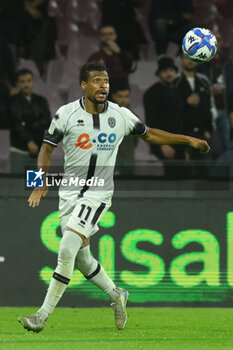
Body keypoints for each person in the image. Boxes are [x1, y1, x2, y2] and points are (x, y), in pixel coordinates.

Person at [18, 61, 209, 333]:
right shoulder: (66, 114)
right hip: (69, 193)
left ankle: (41, 316)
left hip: (97, 193)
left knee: (66, 249)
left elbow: (150, 134)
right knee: (82, 259)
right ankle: (117, 295)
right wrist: (38, 182)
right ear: (83, 85)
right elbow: (46, 149)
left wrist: (188, 140)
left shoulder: (121, 115)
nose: (103, 86)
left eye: (105, 81)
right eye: (96, 81)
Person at [174, 54, 216, 173]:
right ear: (181, 60)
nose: (189, 61)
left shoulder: (204, 81)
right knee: (184, 173)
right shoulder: (176, 81)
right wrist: (186, 102)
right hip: (183, 134)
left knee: (205, 172)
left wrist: (208, 129)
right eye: (186, 58)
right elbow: (172, 108)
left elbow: (209, 106)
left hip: (204, 134)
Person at [144, 57, 185, 177]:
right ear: (159, 73)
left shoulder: (178, 91)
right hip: (163, 144)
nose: (169, 73)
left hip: (180, 143)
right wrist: (162, 144)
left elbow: (182, 120)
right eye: (165, 71)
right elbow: (152, 121)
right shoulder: (152, 93)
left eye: (171, 70)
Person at [197, 30, 233, 153]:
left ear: (222, 42)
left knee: (227, 145)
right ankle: (208, 172)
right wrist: (209, 89)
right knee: (206, 146)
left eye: (218, 39)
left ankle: (227, 172)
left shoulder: (228, 65)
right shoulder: (200, 64)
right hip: (207, 111)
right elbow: (196, 86)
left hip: (225, 110)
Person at [8, 68, 51, 173]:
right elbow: (16, 125)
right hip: (18, 150)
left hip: (37, 151)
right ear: (18, 84)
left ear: (33, 81)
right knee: (16, 185)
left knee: (35, 186)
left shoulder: (41, 101)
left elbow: (47, 121)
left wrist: (27, 124)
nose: (26, 84)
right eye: (22, 82)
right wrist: (29, 141)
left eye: (28, 81)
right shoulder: (12, 101)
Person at [88, 24, 136, 93]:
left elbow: (131, 68)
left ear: (115, 35)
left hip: (121, 94)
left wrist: (119, 53)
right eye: (104, 35)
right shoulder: (95, 57)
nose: (107, 37)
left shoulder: (125, 54)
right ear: (100, 37)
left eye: (110, 34)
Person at [111, 82, 137, 173]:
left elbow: (135, 142)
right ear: (114, 97)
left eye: (126, 96)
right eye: (120, 96)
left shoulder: (134, 118)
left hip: (129, 163)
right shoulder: (106, 117)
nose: (123, 100)